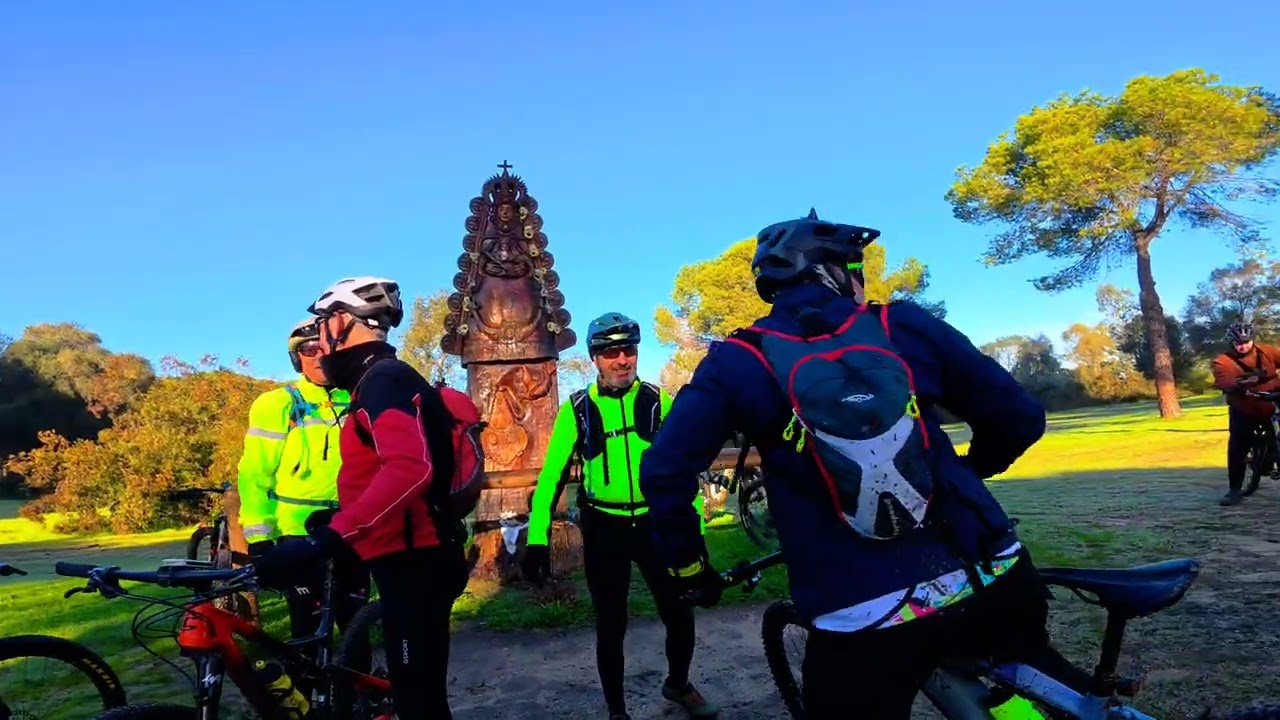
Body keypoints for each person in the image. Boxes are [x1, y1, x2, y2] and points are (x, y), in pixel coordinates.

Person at [638, 209, 1062, 719]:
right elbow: (1020, 417)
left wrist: (690, 567)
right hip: (988, 571)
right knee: (1026, 696)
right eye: (855, 269)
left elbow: (664, 469)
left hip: (860, 610)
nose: (861, 282)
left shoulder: (738, 359)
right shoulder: (901, 325)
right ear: (830, 271)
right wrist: (973, 472)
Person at [253, 277, 475, 719]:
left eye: (321, 326)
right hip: (412, 554)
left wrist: (329, 538)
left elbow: (410, 468)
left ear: (341, 322)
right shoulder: (378, 380)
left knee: (419, 700)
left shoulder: (382, 380)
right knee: (420, 693)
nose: (318, 339)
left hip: (414, 560)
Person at [523, 312, 719, 720]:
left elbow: (683, 471)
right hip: (605, 527)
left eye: (628, 350)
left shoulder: (658, 399)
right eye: (611, 352)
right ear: (595, 358)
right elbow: (550, 478)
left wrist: (695, 530)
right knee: (611, 624)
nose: (622, 360)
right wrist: (537, 538)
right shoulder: (577, 408)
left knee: (678, 610)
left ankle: (679, 684)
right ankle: (617, 710)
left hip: (657, 523)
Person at [236, 319, 367, 649]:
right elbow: (255, 475)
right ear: (297, 358)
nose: (319, 356)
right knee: (306, 632)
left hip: (350, 529)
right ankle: (311, 697)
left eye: (327, 348)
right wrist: (259, 537)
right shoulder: (277, 404)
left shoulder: (358, 397)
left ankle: (359, 697)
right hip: (297, 533)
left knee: (356, 626)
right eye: (309, 350)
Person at [1210, 321, 1280, 506]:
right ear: (1231, 343)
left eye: (1247, 342)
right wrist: (1239, 385)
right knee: (1238, 447)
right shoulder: (1222, 361)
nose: (1243, 346)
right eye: (1238, 343)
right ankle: (1234, 489)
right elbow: (1224, 381)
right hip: (1245, 406)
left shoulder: (1267, 352)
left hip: (1273, 401)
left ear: (1253, 340)